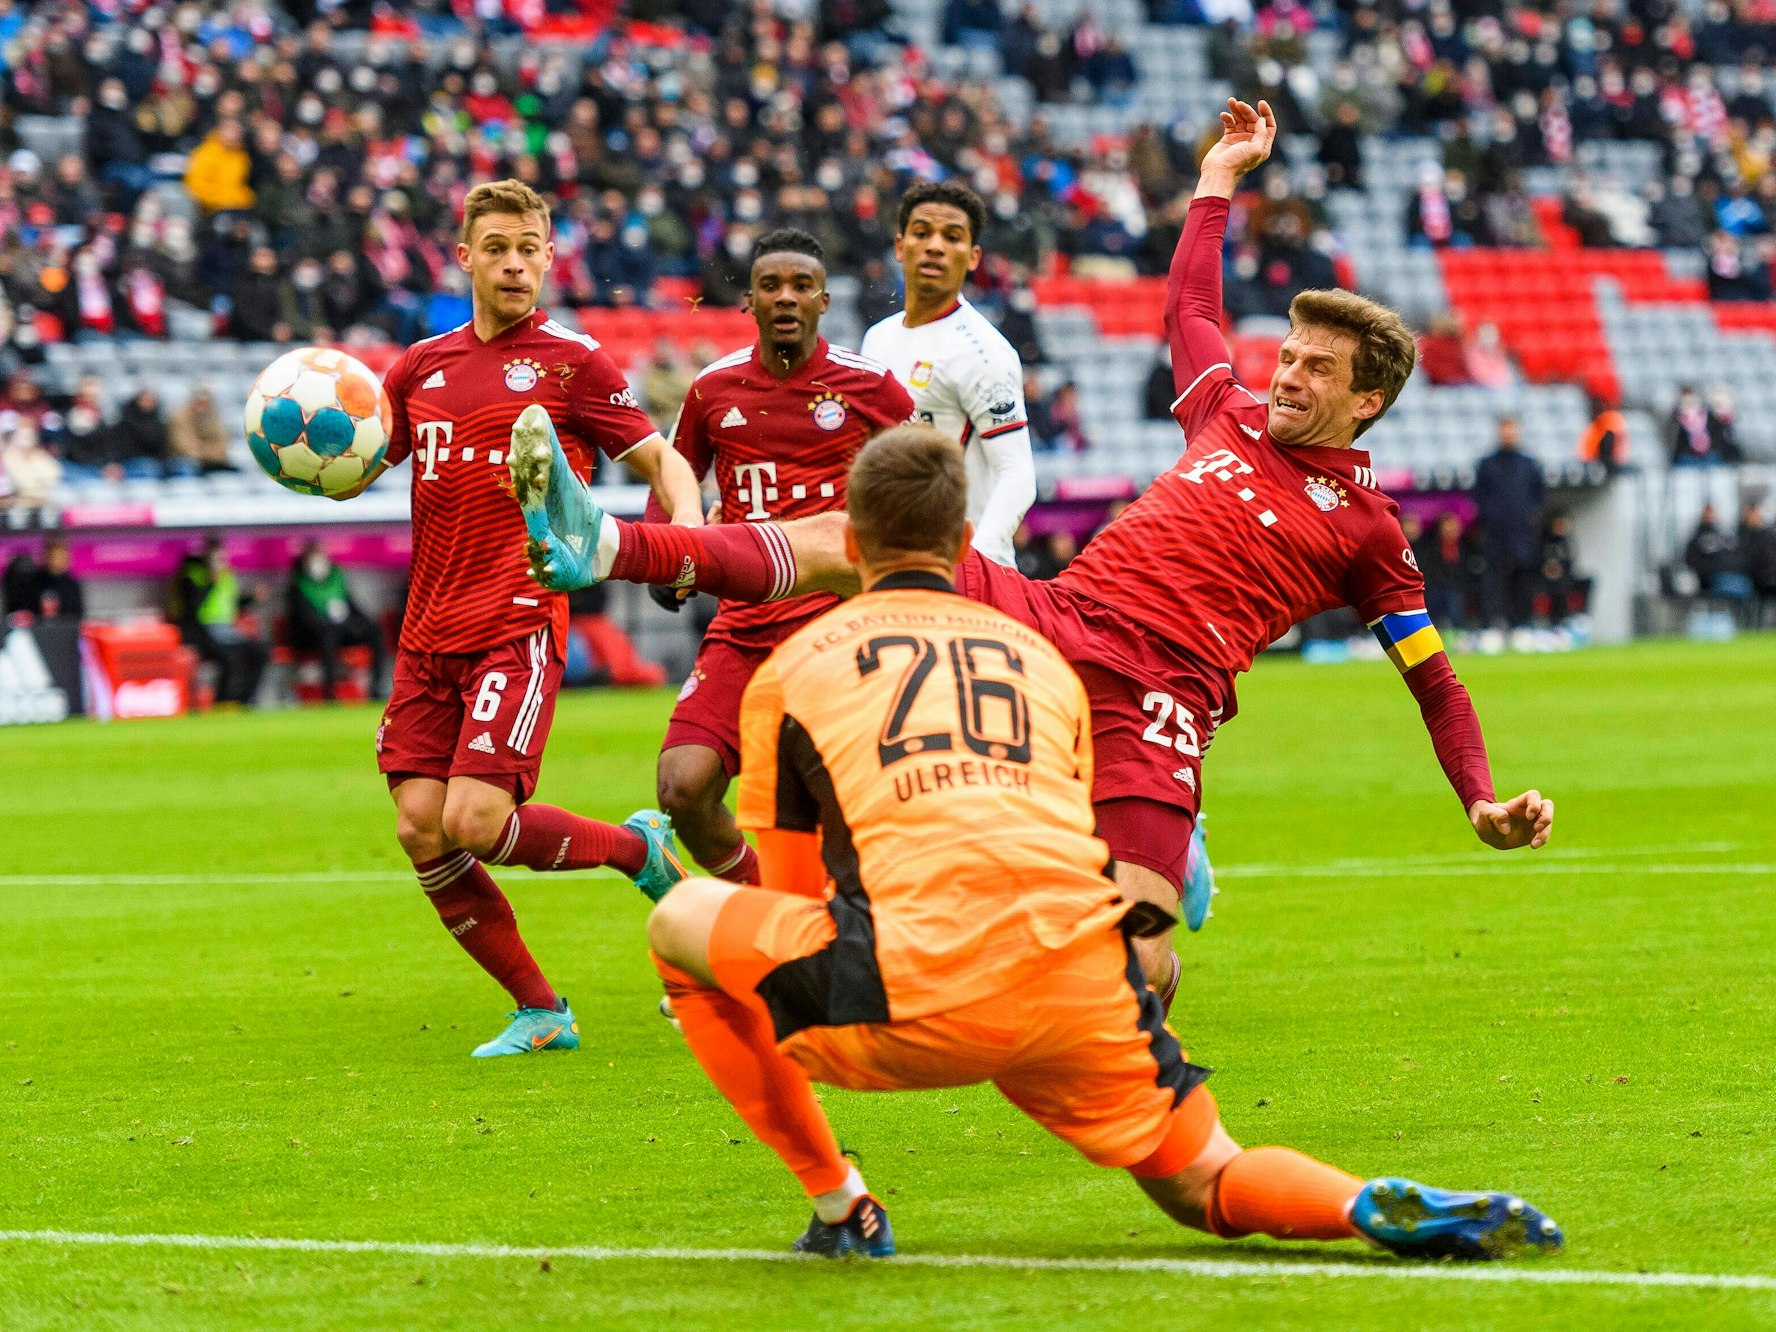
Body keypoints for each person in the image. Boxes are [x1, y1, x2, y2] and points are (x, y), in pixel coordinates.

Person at [512, 101, 1554, 1011]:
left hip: (1159, 701)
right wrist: (1214, 181)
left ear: (1366, 401)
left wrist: (1477, 796)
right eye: (1285, 355)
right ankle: (605, 540)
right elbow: (1190, 307)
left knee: (1139, 965)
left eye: (1316, 370)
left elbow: (1435, 679)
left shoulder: (1367, 531)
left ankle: (1146, 917)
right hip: (1058, 619)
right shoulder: (1225, 412)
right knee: (857, 536)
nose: (1285, 377)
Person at [644, 424, 1563, 1262]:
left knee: (685, 922)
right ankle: (1357, 1203)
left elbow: (798, 903)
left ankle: (842, 1207)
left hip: (909, 990)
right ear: (966, 540)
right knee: (1207, 1181)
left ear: (848, 542)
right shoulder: (1041, 665)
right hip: (1079, 981)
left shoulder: (798, 668)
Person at [330, 179, 705, 1058]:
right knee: (420, 825)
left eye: (528, 248)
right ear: (465, 258)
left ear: (547, 256)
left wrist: (685, 540)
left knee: (472, 821)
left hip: (517, 623)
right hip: (427, 635)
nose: (513, 263)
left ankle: (633, 853)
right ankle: (542, 1009)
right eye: (495, 247)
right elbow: (358, 460)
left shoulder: (574, 363)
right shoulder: (420, 367)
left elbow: (664, 460)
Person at [648, 229, 915, 886]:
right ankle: (765, 906)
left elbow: (923, 484)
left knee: (834, 806)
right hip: (743, 624)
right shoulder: (713, 390)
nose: (786, 297)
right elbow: (674, 478)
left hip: (837, 625)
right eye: (771, 285)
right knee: (683, 788)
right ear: (750, 302)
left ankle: (832, 937)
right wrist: (664, 552)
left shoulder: (870, 385)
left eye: (801, 286)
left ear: (824, 300)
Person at [858, 182, 1037, 567]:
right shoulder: (877, 339)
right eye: (922, 233)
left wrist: (978, 564)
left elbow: (1017, 473)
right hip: (891, 565)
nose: (935, 246)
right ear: (899, 246)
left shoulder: (983, 352)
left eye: (951, 236)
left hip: (962, 574)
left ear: (973, 257)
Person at [168, 536, 268, 707]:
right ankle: (221, 703)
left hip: (226, 629)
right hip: (200, 630)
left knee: (261, 650)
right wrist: (210, 583)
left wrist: (252, 598)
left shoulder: (226, 574)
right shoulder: (191, 574)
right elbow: (191, 607)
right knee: (229, 658)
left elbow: (232, 604)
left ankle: (246, 700)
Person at [285, 540, 388, 701]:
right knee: (328, 634)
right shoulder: (298, 584)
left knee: (373, 628)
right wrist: (329, 623)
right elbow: (304, 619)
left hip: (342, 630)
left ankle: (377, 687)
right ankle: (330, 694)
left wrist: (359, 622)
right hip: (313, 636)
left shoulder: (336, 578)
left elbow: (351, 605)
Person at [1472, 417, 1544, 638]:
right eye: (1504, 430)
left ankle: (1521, 625)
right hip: (1494, 534)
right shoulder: (1486, 464)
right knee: (1493, 581)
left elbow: (1537, 496)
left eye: (1512, 430)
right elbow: (1479, 496)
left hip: (1521, 534)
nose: (1508, 434)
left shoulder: (1529, 464)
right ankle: (1493, 626)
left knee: (1522, 581)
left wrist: (1527, 517)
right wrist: (1491, 516)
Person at [23, 536, 83, 619]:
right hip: (39, 629)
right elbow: (28, 612)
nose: (58, 560)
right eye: (54, 556)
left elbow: (78, 614)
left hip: (66, 629)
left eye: (61, 556)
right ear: (46, 556)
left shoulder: (72, 584)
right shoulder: (35, 581)